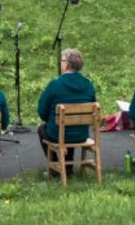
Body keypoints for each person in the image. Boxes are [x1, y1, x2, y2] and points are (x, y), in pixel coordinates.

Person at [37, 49, 97, 177]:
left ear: (66, 64)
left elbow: (42, 113)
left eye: (62, 60)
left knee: (43, 128)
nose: (60, 63)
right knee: (71, 127)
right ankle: (68, 167)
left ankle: (56, 168)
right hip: (81, 134)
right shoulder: (88, 85)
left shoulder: (55, 85)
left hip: (59, 133)